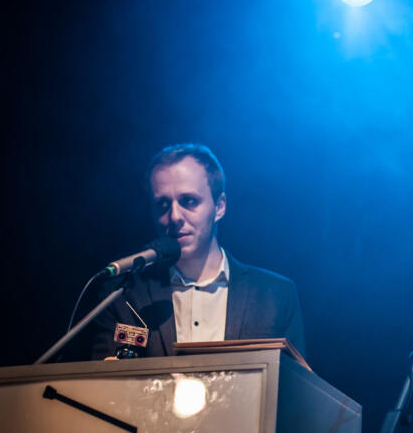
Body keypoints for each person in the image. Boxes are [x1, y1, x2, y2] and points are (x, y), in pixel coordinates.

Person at [87, 143, 305, 360]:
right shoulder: (123, 295)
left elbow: (294, 381)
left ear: (219, 207)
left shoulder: (275, 296)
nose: (174, 217)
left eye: (188, 201)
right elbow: (101, 378)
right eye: (163, 204)